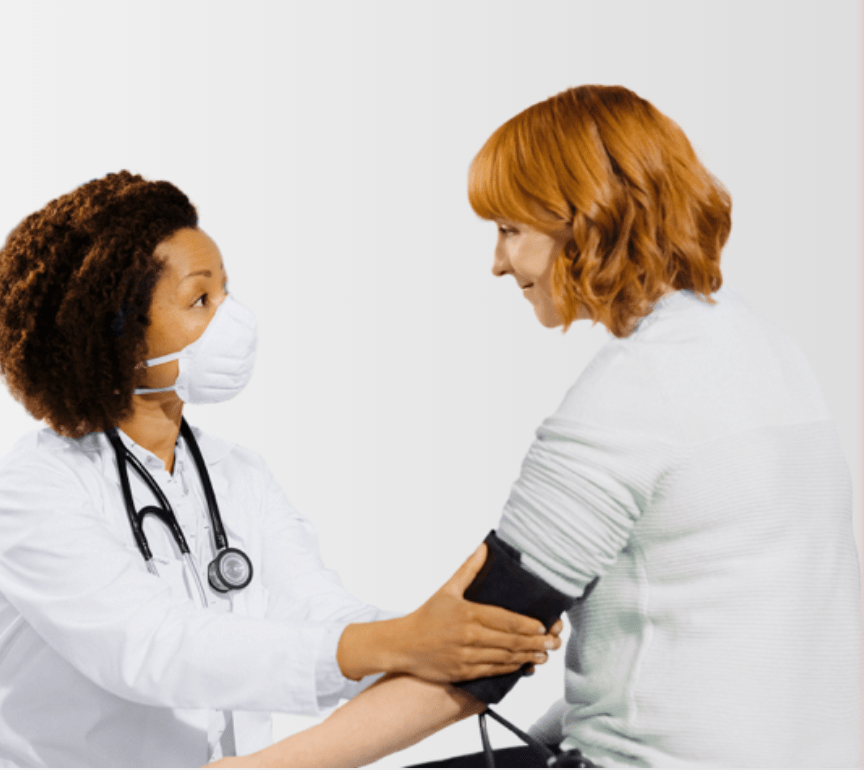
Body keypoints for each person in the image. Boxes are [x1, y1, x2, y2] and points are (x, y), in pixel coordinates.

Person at [209, 85, 862, 768]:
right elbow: (730, 638)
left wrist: (258, 768)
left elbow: (477, 659)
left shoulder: (636, 391)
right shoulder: (773, 355)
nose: (497, 261)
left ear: (586, 219)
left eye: (511, 230)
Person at [0, 171, 564, 768]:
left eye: (226, 294)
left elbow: (318, 613)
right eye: (201, 300)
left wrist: (451, 636)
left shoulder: (234, 474)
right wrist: (402, 643)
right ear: (114, 332)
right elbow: (151, 648)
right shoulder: (32, 492)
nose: (232, 320)